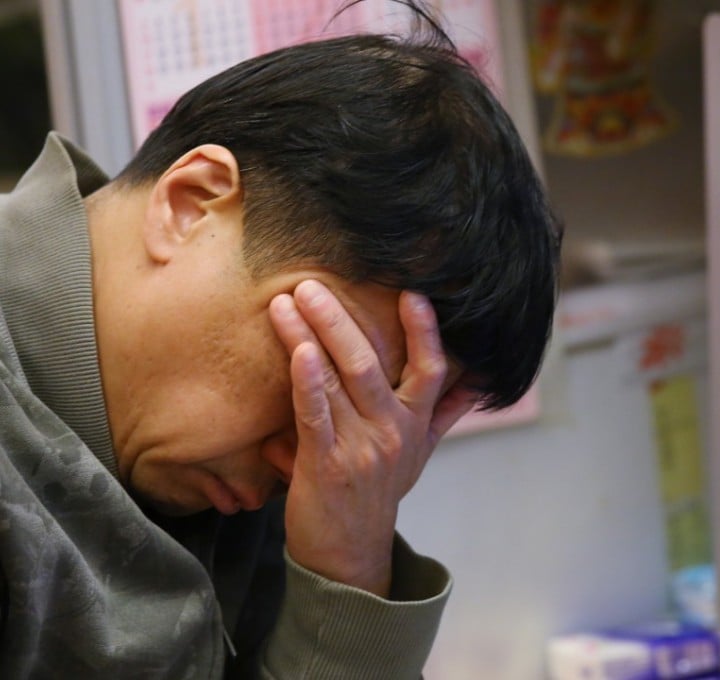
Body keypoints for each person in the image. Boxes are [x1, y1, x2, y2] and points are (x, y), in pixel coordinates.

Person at [0, 2, 562, 677]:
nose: (320, 468)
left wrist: (346, 576)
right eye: (324, 374)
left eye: (376, 418)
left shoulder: (216, 478)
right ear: (192, 204)